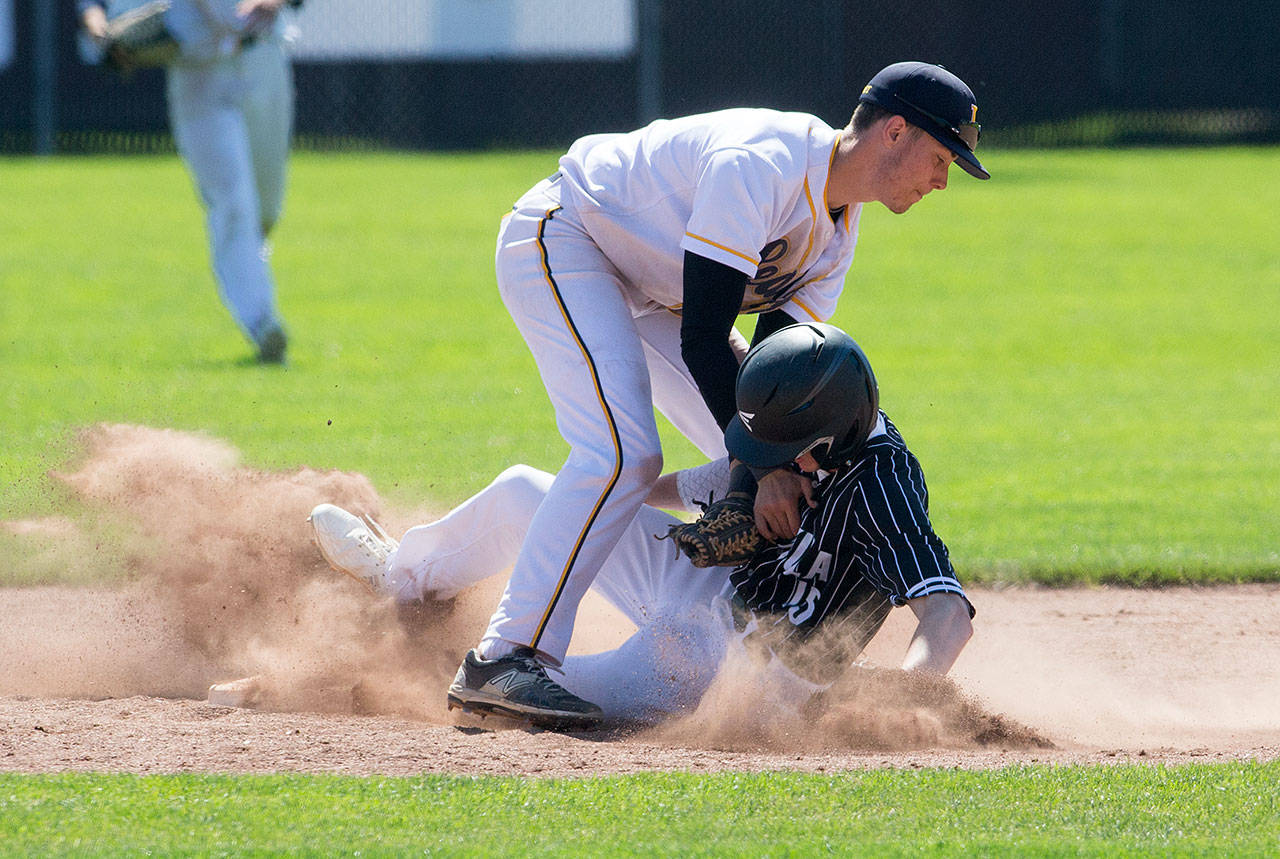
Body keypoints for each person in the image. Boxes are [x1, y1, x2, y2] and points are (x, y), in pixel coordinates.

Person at [443, 61, 988, 724]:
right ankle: (505, 655)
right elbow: (705, 338)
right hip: (571, 236)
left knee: (751, 444)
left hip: (656, 290)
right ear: (895, 132)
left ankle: (406, 584)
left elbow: (774, 379)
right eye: (941, 156)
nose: (943, 177)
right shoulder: (762, 166)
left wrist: (751, 474)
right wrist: (760, 469)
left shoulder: (836, 235)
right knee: (623, 454)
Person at [308, 322, 974, 728]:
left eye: (779, 453)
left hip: (726, 671)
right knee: (522, 492)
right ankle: (401, 577)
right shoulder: (812, 429)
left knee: (523, 700)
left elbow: (947, 616)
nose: (766, 465)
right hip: (708, 590)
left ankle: (364, 674)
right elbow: (714, 479)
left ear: (830, 439)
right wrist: (613, 494)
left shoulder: (882, 483)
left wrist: (912, 698)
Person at [78, 0, 300, 363]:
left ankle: (253, 286)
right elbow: (100, 16)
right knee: (232, 201)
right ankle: (262, 322)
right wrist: (97, 22)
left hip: (261, 60)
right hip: (198, 76)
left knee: (265, 210)